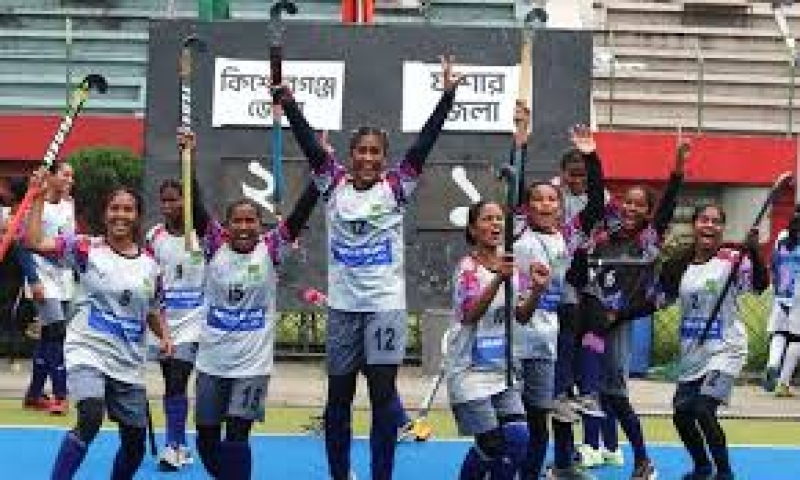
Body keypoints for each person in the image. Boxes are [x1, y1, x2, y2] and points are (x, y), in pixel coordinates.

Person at [274, 55, 460, 480]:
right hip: (343, 310)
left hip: (384, 310)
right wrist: (289, 105)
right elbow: (308, 146)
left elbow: (424, 144)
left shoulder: (397, 187)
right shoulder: (332, 184)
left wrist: (447, 97)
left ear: (385, 158)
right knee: (337, 403)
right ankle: (341, 475)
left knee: (382, 401)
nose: (368, 158)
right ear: (350, 154)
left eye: (376, 152)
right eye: (361, 150)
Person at [24, 170, 175, 480]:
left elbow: (152, 310)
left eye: (128, 209)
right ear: (105, 214)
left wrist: (165, 337)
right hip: (87, 351)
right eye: (114, 208)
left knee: (134, 445)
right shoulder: (85, 248)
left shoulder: (150, 266)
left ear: (137, 216)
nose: (121, 215)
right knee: (91, 415)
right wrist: (37, 197)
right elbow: (35, 241)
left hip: (128, 362)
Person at [187, 132, 321, 479]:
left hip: (252, 367)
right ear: (226, 226)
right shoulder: (214, 245)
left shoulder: (271, 249)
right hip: (212, 362)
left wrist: (318, 166)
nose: (245, 227)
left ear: (261, 226)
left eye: (251, 221)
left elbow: (303, 210)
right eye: (238, 221)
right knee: (205, 439)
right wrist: (190, 155)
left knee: (237, 436)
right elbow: (195, 204)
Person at [570, 136, 687, 480]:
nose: (631, 208)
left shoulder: (649, 239)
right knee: (589, 385)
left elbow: (667, 205)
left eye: (639, 205)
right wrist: (592, 157)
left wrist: (678, 168)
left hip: (617, 324)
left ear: (648, 212)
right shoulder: (604, 232)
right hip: (592, 322)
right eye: (627, 202)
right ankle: (593, 448)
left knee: (615, 394)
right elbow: (595, 195)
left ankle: (643, 460)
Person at [638, 205, 769, 480]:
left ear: (722, 228)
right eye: (704, 220)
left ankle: (725, 473)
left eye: (716, 221)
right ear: (694, 225)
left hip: (726, 349)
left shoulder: (733, 259)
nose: (709, 225)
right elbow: (659, 299)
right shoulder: (679, 263)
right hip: (693, 351)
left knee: (704, 410)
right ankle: (701, 467)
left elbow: (760, 285)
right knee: (682, 415)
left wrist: (755, 251)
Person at [447, 200, 549, 480]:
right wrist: (496, 280)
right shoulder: (468, 269)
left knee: (518, 439)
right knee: (490, 444)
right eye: (487, 219)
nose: (495, 224)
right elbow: (470, 314)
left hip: (502, 371)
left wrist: (537, 290)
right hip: (469, 371)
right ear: (472, 229)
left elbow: (521, 315)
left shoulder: (511, 266)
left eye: (499, 219)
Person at [145, 178, 206, 470]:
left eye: (175, 199)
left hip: (194, 321)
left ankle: (172, 447)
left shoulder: (202, 235)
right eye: (165, 200)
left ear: (187, 201)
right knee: (171, 382)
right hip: (163, 323)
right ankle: (180, 443)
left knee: (178, 379)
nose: (169, 206)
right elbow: (146, 276)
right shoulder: (154, 236)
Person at [22, 162, 76, 415]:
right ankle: (61, 396)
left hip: (63, 277)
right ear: (51, 176)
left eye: (72, 176)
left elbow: (68, 242)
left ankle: (34, 395)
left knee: (47, 338)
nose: (70, 180)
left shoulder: (69, 204)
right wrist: (33, 280)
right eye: (65, 175)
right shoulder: (35, 202)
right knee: (57, 332)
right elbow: (22, 244)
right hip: (41, 277)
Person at [763, 207, 800, 396]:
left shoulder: (783, 237)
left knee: (779, 332)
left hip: (782, 289)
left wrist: (776, 285)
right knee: (797, 337)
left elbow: (774, 262)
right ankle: (783, 383)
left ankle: (772, 364)